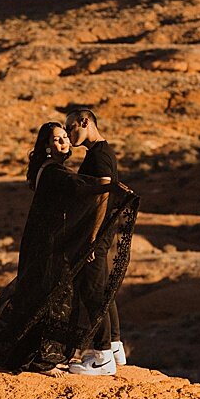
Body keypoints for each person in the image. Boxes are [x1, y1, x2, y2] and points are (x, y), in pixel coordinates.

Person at [0, 122, 137, 375]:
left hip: (46, 244)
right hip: (48, 246)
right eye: (56, 139)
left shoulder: (53, 169)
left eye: (65, 137)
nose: (64, 142)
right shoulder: (52, 171)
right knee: (48, 298)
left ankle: (46, 357)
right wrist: (111, 187)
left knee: (48, 297)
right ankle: (42, 361)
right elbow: (81, 187)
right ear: (46, 146)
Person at [65, 107, 127, 374]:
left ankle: (102, 358)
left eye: (71, 128)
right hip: (101, 233)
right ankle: (113, 347)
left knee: (91, 291)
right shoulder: (99, 153)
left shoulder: (100, 155)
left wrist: (92, 237)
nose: (69, 135)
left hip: (96, 234)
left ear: (84, 121)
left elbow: (102, 197)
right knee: (101, 289)